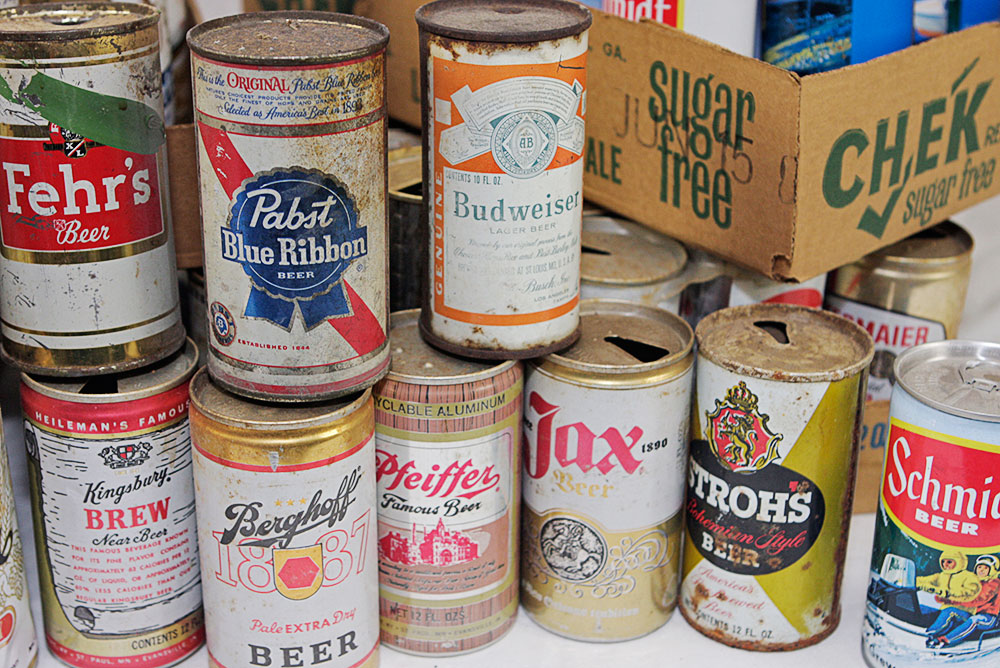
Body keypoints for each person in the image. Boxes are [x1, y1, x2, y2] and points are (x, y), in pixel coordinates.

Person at [925, 554, 1000, 649]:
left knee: (975, 620)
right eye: (979, 567)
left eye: (985, 568)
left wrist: (952, 600)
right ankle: (931, 632)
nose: (981, 570)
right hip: (974, 613)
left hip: (989, 617)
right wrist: (947, 598)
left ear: (992, 570)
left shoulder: (994, 583)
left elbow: (978, 600)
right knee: (950, 611)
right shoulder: (977, 582)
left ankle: (946, 640)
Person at [916, 550, 981, 604]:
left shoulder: (969, 576)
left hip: (961, 608)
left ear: (959, 562)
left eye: (949, 562)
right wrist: (913, 581)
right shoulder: (942, 575)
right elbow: (925, 580)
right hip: (941, 605)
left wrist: (947, 592)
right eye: (943, 562)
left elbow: (970, 591)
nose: (945, 564)